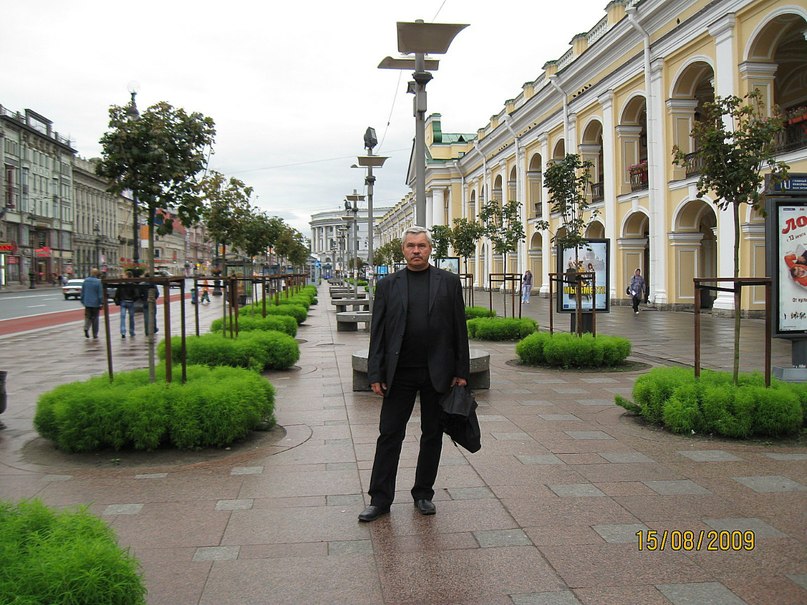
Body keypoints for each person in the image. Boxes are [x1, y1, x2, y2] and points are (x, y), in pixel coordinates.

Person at [359, 226, 471, 523]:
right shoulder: (388, 285)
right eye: (411, 246)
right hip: (399, 374)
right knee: (389, 434)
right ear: (403, 250)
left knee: (432, 435)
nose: (416, 250)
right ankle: (380, 499)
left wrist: (461, 371)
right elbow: (378, 333)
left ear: (430, 249)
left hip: (439, 373)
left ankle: (423, 493)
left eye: (421, 245)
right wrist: (375, 373)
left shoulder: (448, 282)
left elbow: (460, 329)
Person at [80, 268, 104, 339]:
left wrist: (83, 300)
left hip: (87, 302)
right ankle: (95, 334)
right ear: (97, 274)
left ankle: (86, 328)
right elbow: (100, 294)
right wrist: (101, 303)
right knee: (95, 318)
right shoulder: (98, 282)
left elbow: (82, 292)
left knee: (87, 317)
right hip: (95, 303)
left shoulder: (86, 281)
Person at [114, 270, 138, 338]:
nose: (123, 275)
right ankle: (132, 331)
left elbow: (117, 293)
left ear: (127, 275)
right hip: (130, 301)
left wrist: (117, 300)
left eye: (124, 274)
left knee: (122, 317)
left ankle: (123, 332)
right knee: (131, 317)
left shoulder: (121, 284)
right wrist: (133, 299)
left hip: (123, 301)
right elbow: (136, 294)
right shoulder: (133, 284)